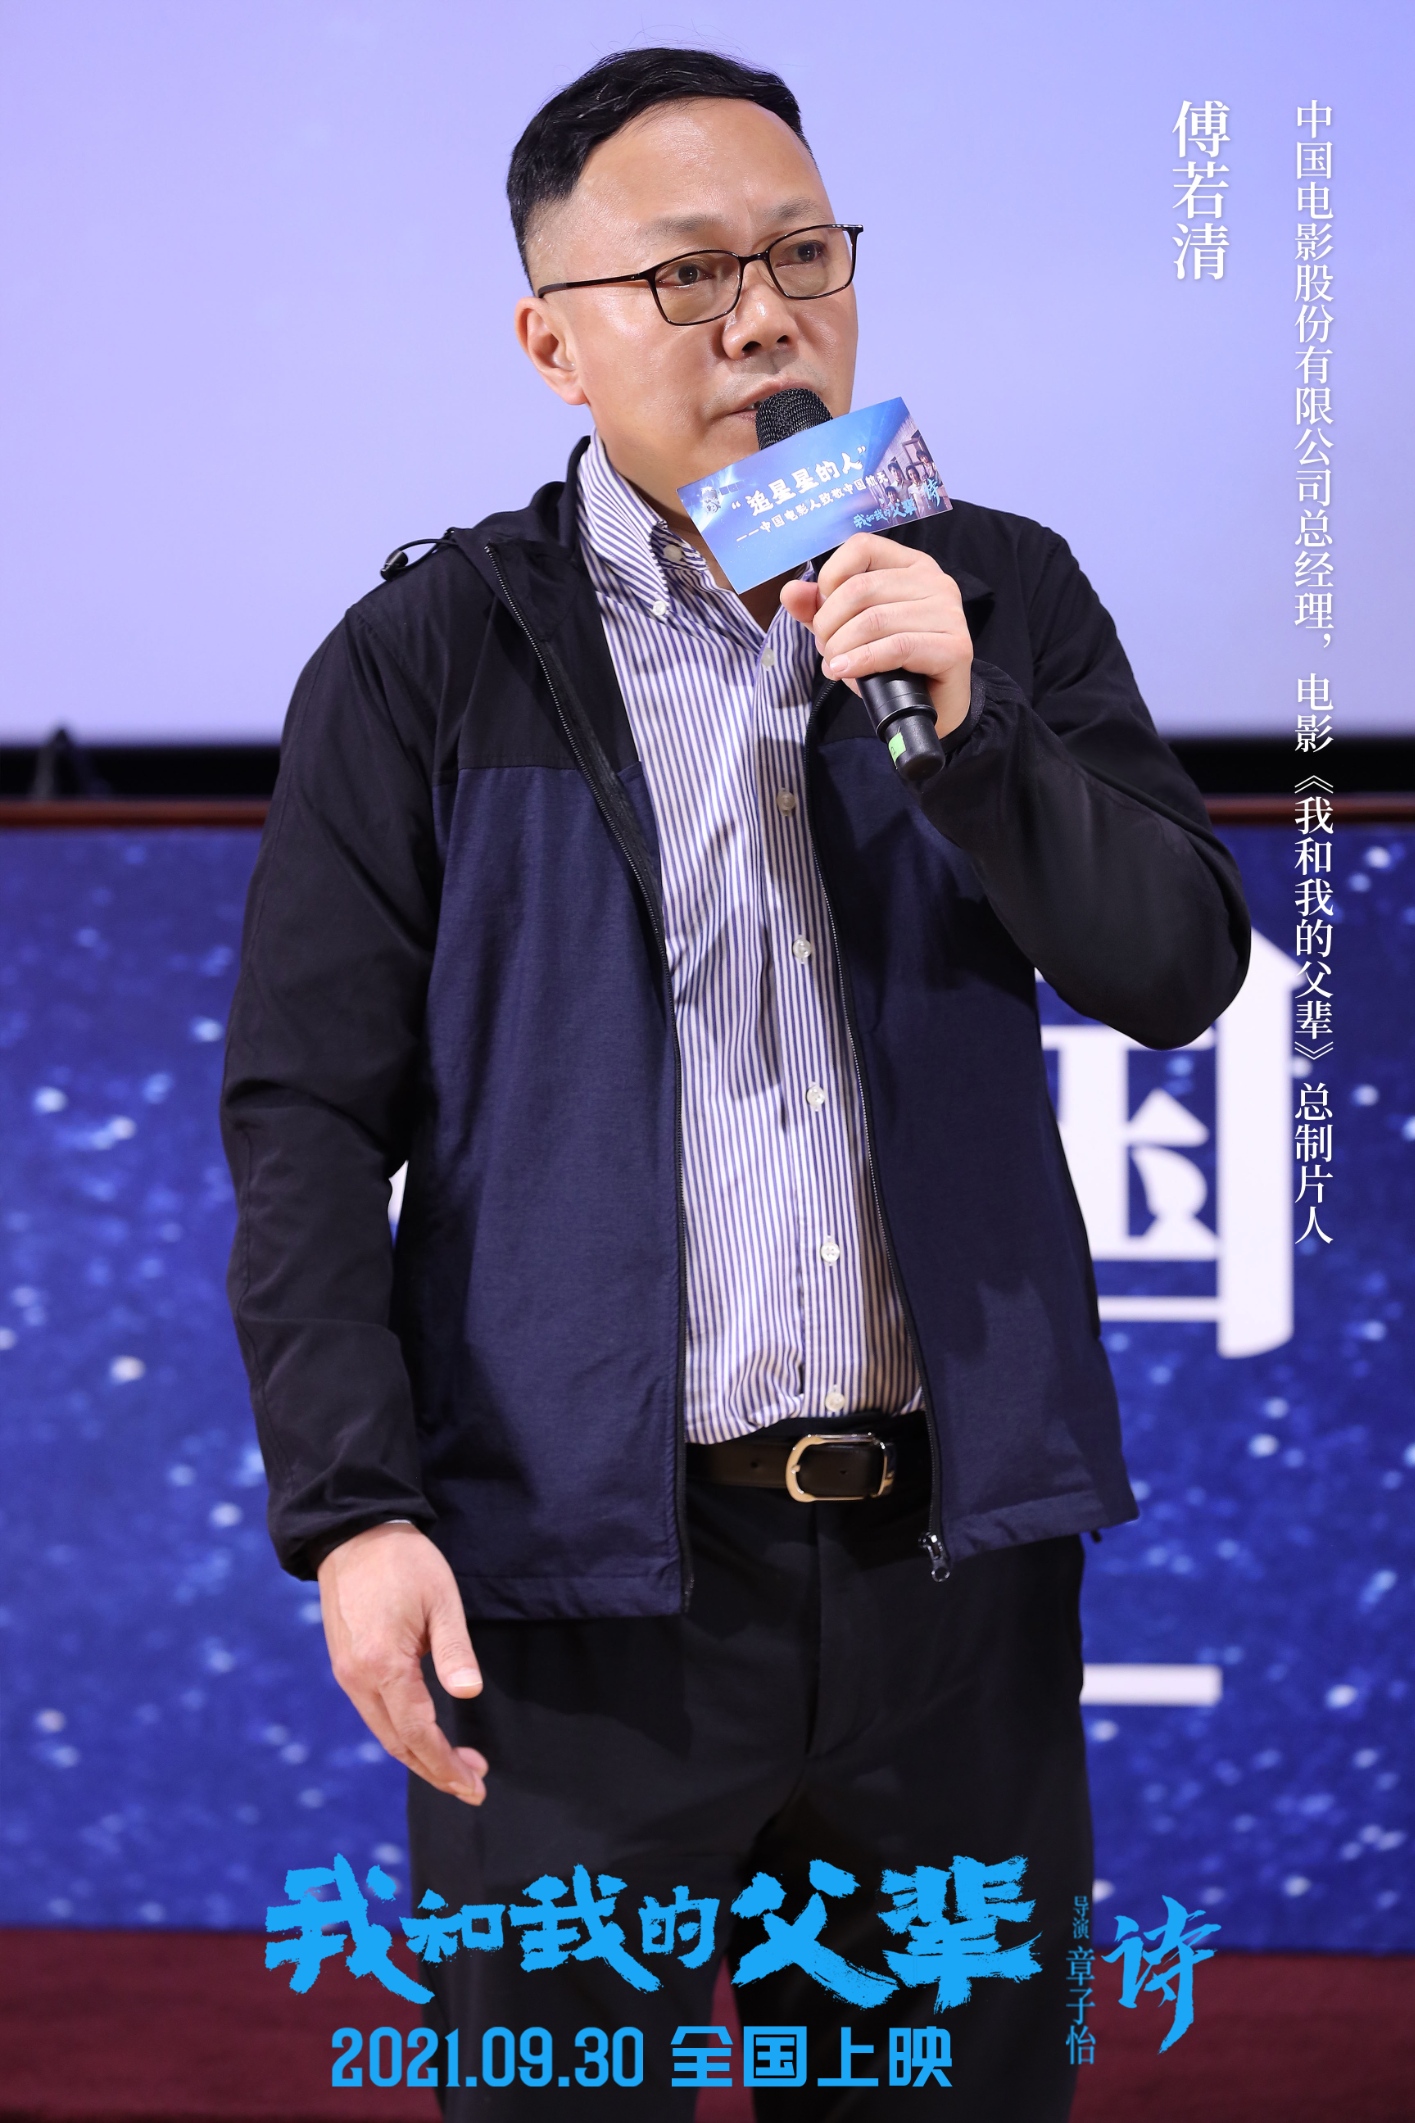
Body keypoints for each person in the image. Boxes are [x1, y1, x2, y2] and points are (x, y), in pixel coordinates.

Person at [221, 46, 1249, 2120]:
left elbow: (1176, 966)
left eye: (803, 256)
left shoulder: (993, 594)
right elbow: (307, 1118)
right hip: (578, 1594)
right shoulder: (428, 658)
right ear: (553, 341)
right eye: (689, 275)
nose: (765, 317)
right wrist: (353, 1511)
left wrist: (973, 731)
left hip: (946, 1587)